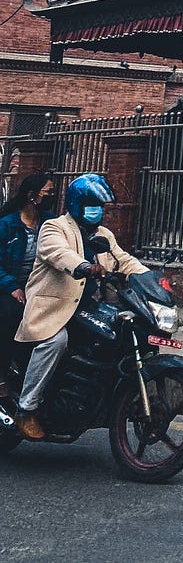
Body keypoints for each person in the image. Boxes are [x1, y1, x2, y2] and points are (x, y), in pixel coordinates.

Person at [14, 173, 146, 441]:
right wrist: (85, 266)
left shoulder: (103, 234)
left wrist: (150, 278)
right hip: (53, 309)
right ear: (77, 203)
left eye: (100, 205)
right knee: (57, 342)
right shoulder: (54, 227)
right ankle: (27, 408)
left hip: (89, 308)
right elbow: (59, 253)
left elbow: (122, 260)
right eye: (92, 204)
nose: (97, 211)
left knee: (119, 334)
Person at [0, 172, 55, 371]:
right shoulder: (7, 225)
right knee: (9, 316)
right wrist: (12, 287)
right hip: (10, 287)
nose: (52, 196)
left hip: (40, 287)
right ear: (32, 196)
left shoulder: (51, 223)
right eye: (48, 192)